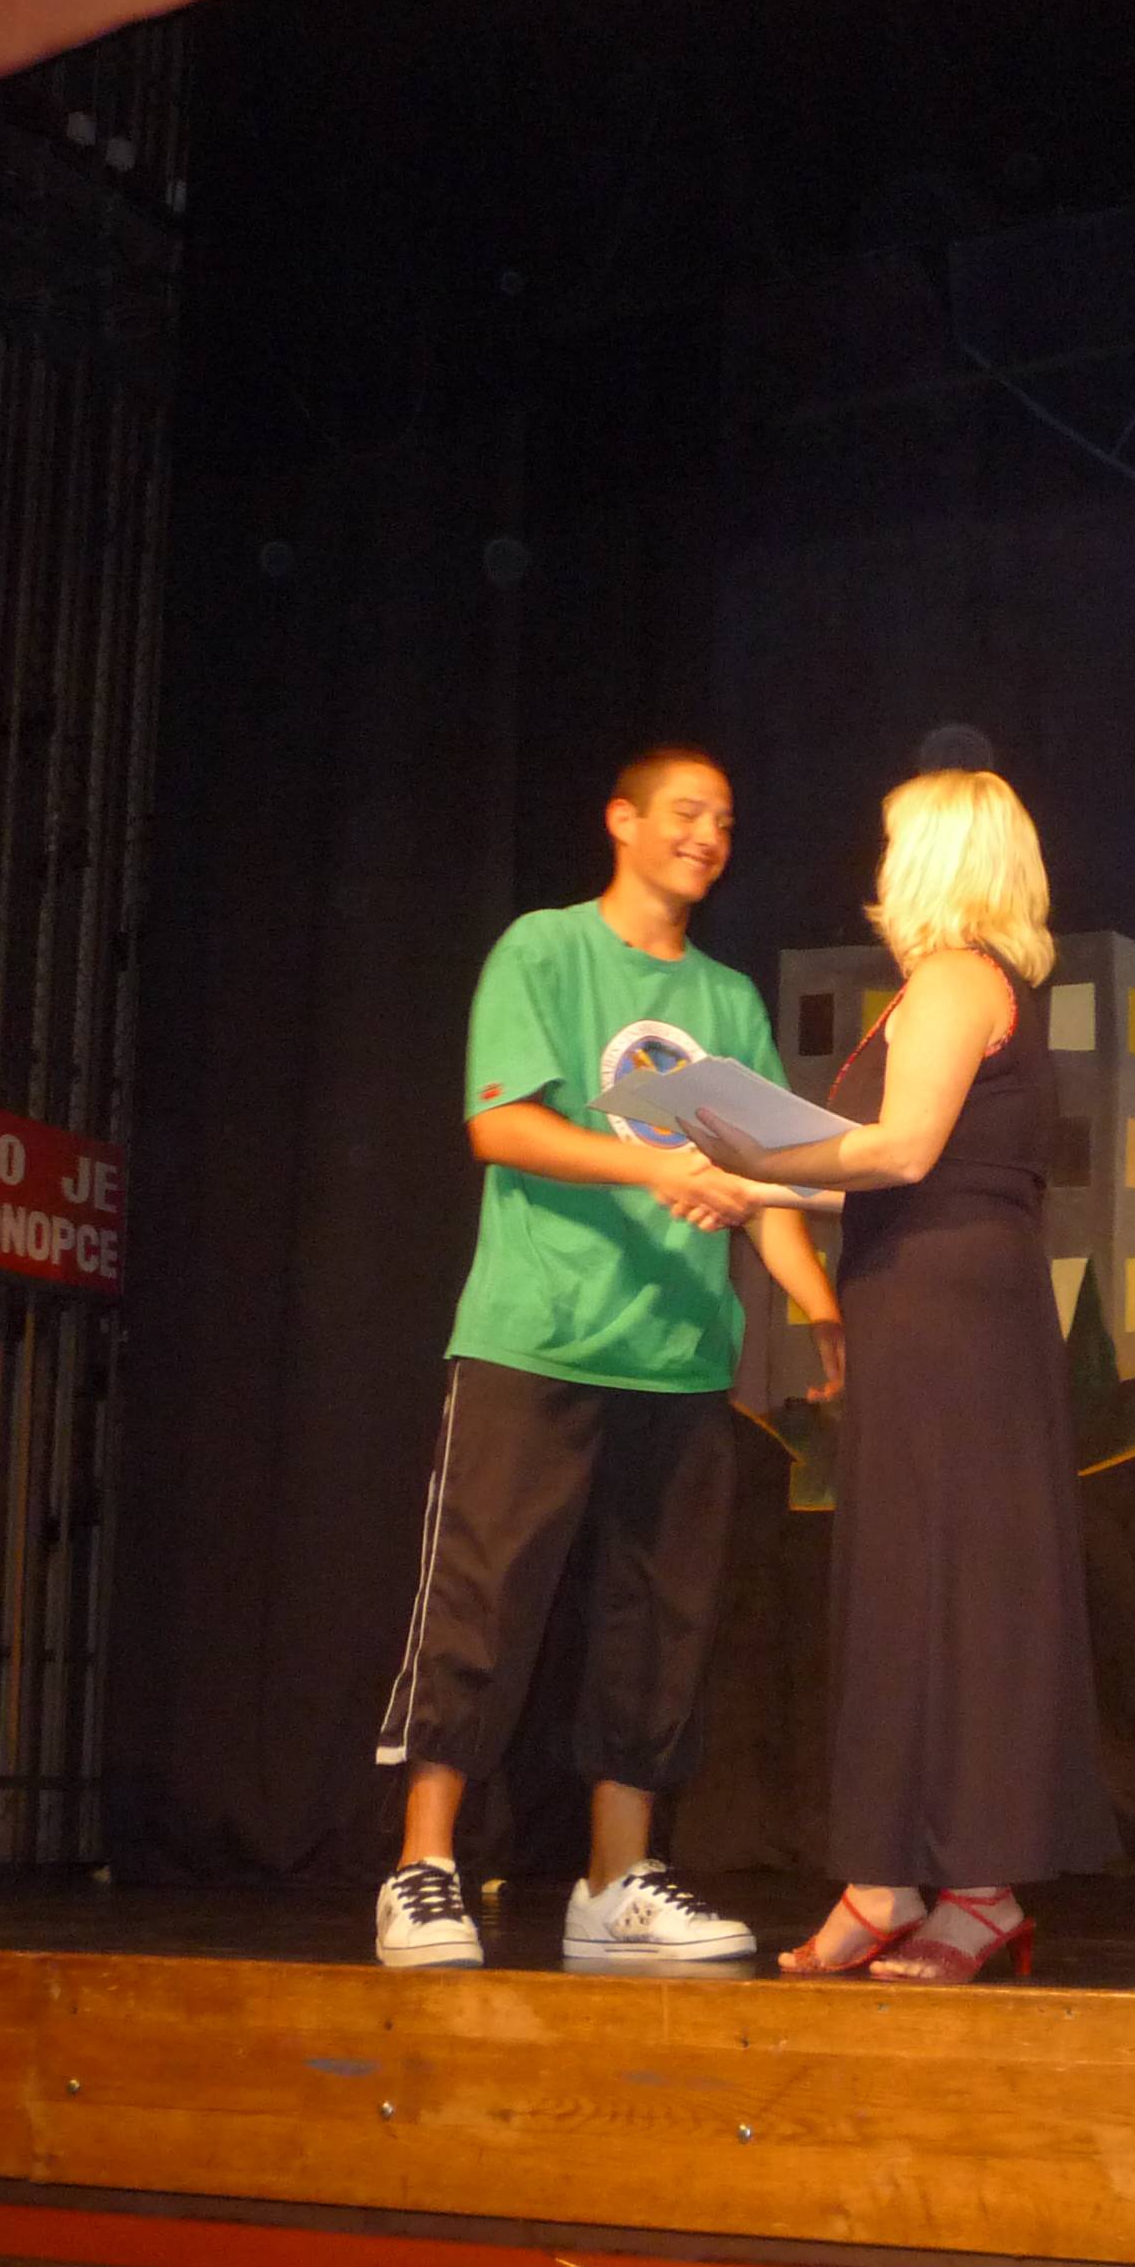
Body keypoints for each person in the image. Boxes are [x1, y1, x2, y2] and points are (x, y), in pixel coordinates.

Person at [371, 745, 844, 1971]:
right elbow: (500, 1123)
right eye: (686, 812)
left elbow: (764, 1177)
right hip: (538, 1337)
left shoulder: (728, 1000)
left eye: (725, 820)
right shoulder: (545, 950)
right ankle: (423, 1867)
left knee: (658, 1627)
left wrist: (817, 1306)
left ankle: (617, 1881)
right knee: (484, 1599)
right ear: (621, 821)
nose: (708, 836)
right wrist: (656, 1165)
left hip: (679, 1360)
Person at [685, 768, 1117, 1984]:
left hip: (947, 1310)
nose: (875, 865)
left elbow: (904, 1150)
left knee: (954, 1585)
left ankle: (963, 1888)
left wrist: (750, 1162)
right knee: (916, 1582)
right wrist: (752, 1187)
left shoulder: (957, 977)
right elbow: (896, 1174)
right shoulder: (961, 987)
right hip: (930, 1292)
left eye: (891, 842)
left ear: (931, 859)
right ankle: (898, 1879)